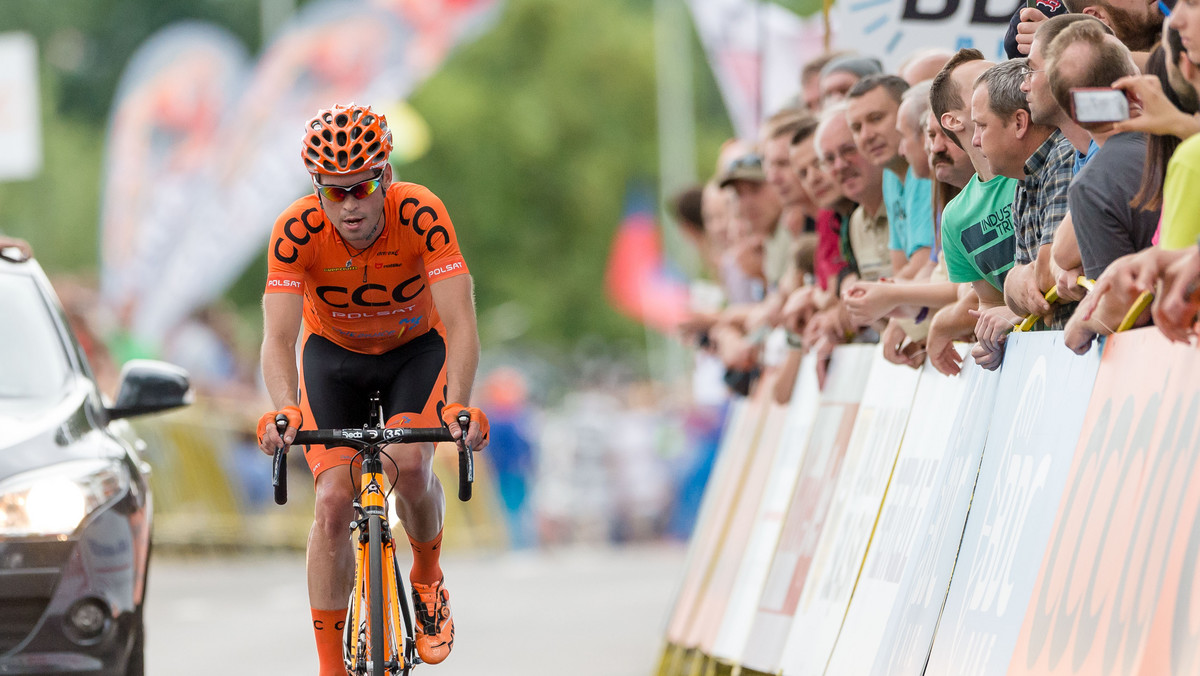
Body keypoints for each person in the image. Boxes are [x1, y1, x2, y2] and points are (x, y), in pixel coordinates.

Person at [255, 103, 489, 674]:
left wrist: (459, 403)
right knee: (334, 502)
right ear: (318, 191)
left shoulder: (422, 213)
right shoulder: (295, 229)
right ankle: (331, 667)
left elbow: (460, 323)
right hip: (333, 357)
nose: (351, 204)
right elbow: (278, 338)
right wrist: (283, 410)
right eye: (334, 193)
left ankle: (427, 577)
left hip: (416, 349)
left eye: (361, 187)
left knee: (410, 462)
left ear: (386, 176)